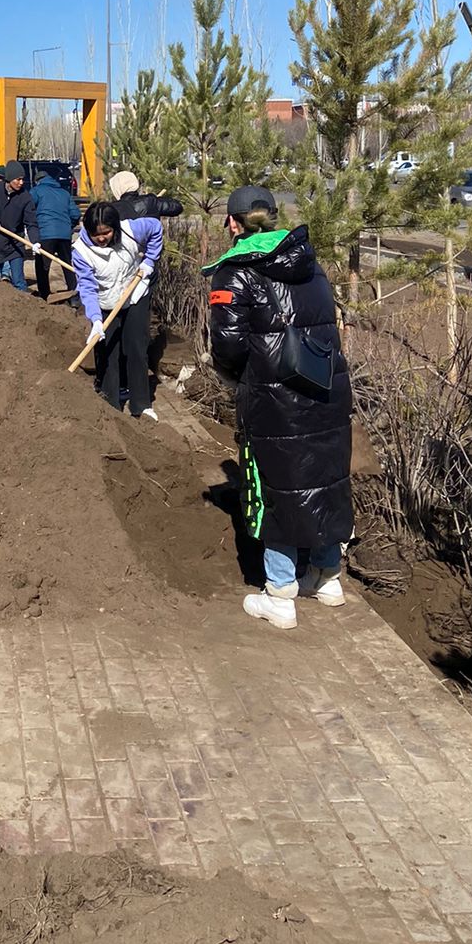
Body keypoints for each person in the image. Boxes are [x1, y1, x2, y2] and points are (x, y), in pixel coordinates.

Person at [204, 185, 353, 631]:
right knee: (322, 478)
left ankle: (280, 593)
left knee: (274, 488)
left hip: (272, 398)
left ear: (233, 223)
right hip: (324, 390)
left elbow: (227, 346)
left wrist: (238, 382)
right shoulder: (311, 264)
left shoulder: (236, 272)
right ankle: (327, 577)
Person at [72, 200, 163, 418]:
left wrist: (150, 260)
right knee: (107, 352)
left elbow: (156, 228)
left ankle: (141, 404)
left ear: (115, 227)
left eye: (107, 232)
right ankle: (110, 403)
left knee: (136, 349)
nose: (102, 238)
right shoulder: (81, 252)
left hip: (134, 294)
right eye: (96, 234)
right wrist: (95, 319)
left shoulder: (131, 230)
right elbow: (87, 288)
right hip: (104, 303)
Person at [0, 160, 39, 290]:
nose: (21, 183)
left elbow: (31, 223)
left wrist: (35, 241)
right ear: (9, 178)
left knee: (18, 282)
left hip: (15, 245)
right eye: (18, 179)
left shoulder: (25, 197)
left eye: (22, 179)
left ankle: (22, 307)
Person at [30, 171, 81, 301]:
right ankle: (74, 295)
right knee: (67, 264)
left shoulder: (36, 191)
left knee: (42, 266)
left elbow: (28, 209)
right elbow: (75, 214)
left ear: (37, 181)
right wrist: (68, 228)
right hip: (64, 235)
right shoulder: (64, 193)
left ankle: (45, 295)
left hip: (45, 233)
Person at [108, 170, 185, 222]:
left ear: (117, 188)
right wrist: (157, 201)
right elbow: (177, 207)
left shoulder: (111, 209)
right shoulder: (149, 202)